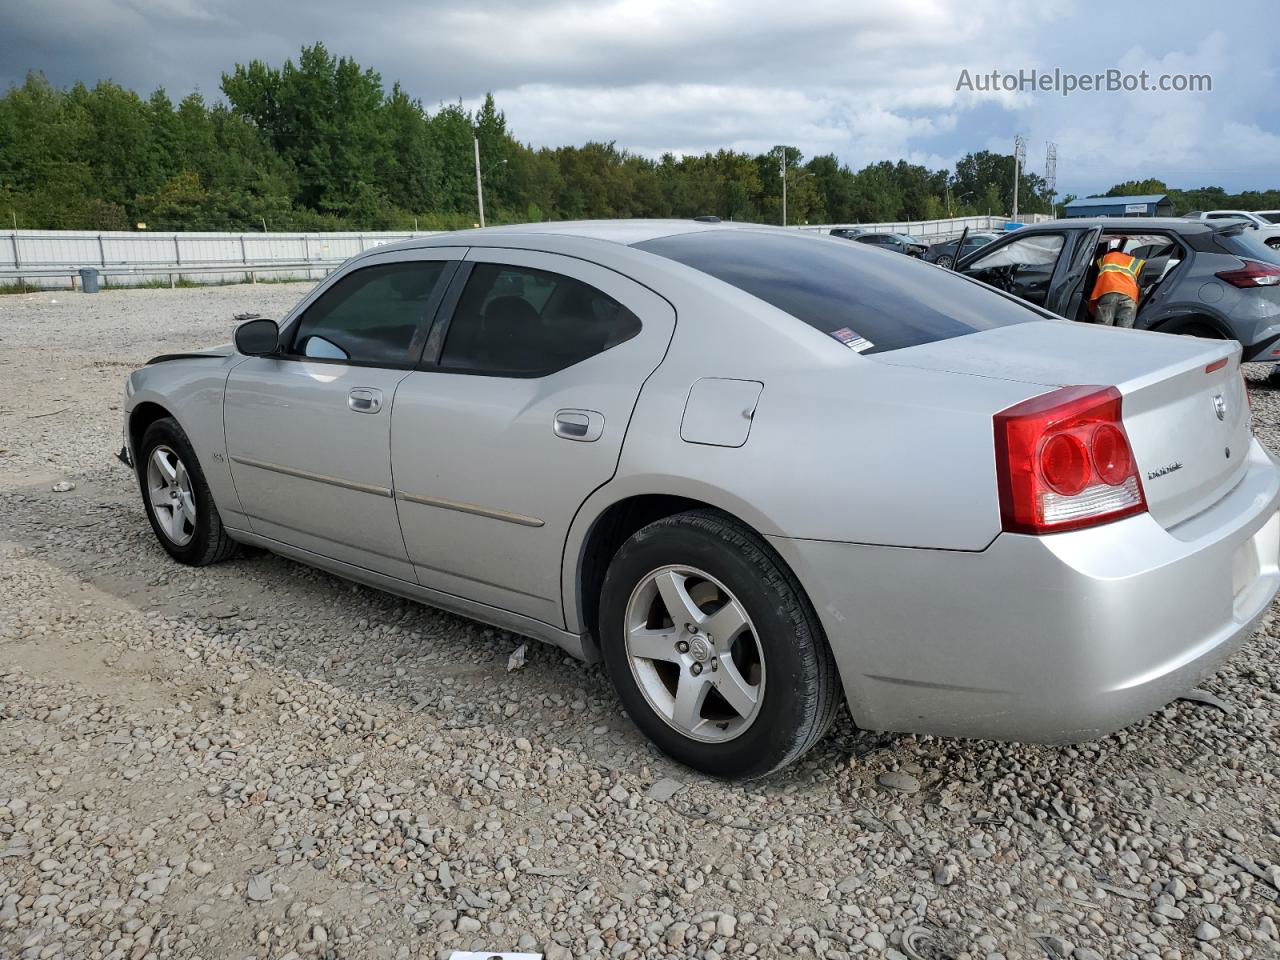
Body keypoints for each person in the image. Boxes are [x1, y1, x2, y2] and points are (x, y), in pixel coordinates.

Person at [1088, 240, 1145, 328]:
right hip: (1130, 294)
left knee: (1103, 327)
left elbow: (1097, 278)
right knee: (1125, 329)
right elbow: (1139, 285)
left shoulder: (1104, 258)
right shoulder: (1134, 261)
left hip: (1108, 291)